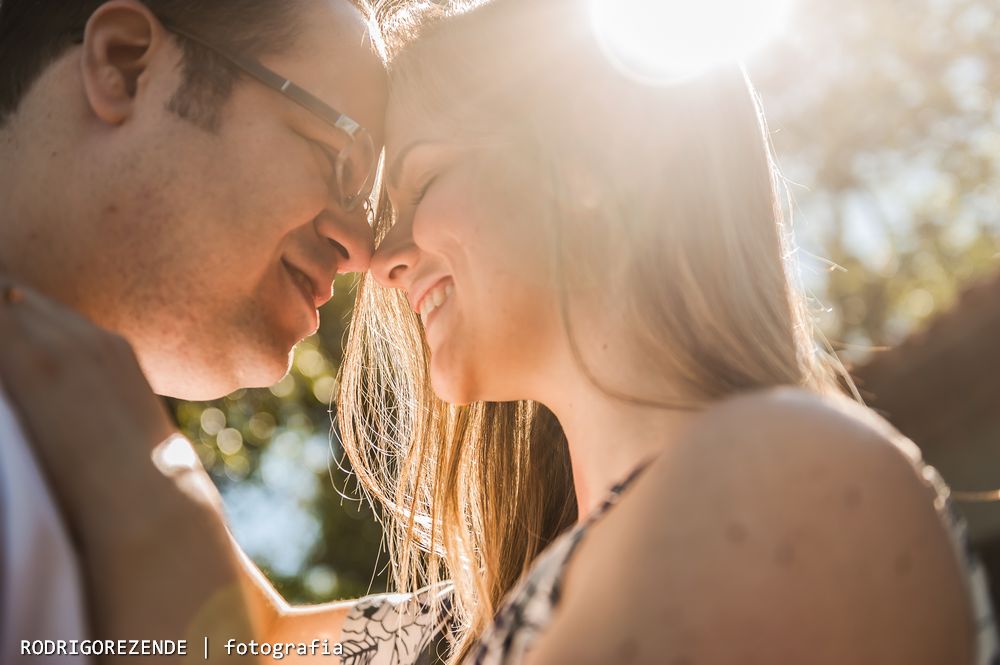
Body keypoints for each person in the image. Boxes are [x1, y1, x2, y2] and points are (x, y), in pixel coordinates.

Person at [1, 2, 995, 665]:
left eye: (416, 181)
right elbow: (241, 638)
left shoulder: (793, 478)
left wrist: (151, 509)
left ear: (590, 165)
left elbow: (198, 621)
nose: (375, 258)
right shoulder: (467, 616)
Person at [0, 1, 451, 663]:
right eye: (337, 158)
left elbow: (262, 640)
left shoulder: (70, 439)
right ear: (124, 66)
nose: (359, 248)